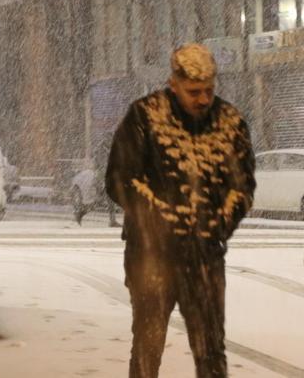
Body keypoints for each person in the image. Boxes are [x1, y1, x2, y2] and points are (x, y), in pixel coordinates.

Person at [105, 43, 255, 378]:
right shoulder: (144, 117)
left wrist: (219, 224)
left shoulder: (229, 121)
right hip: (150, 256)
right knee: (148, 345)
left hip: (206, 257)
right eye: (194, 92)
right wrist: (160, 219)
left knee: (211, 350)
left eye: (209, 91)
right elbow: (119, 180)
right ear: (173, 84)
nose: (203, 99)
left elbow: (242, 187)